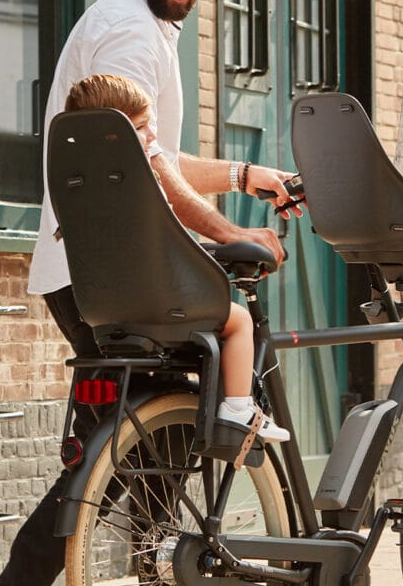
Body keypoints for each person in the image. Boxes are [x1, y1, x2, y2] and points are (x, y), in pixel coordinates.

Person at [0, 0, 296, 586]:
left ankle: (155, 561)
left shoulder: (139, 21)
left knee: (152, 440)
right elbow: (147, 165)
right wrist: (229, 232)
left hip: (92, 266)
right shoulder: (130, 31)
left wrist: (247, 174)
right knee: (129, 449)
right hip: (109, 271)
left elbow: (158, 151)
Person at [64, 73, 290, 441]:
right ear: (112, 137)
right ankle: (238, 409)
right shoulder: (142, 182)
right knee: (239, 322)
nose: (153, 137)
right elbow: (166, 245)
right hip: (161, 300)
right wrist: (221, 252)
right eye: (140, 127)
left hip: (103, 306)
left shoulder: (81, 184)